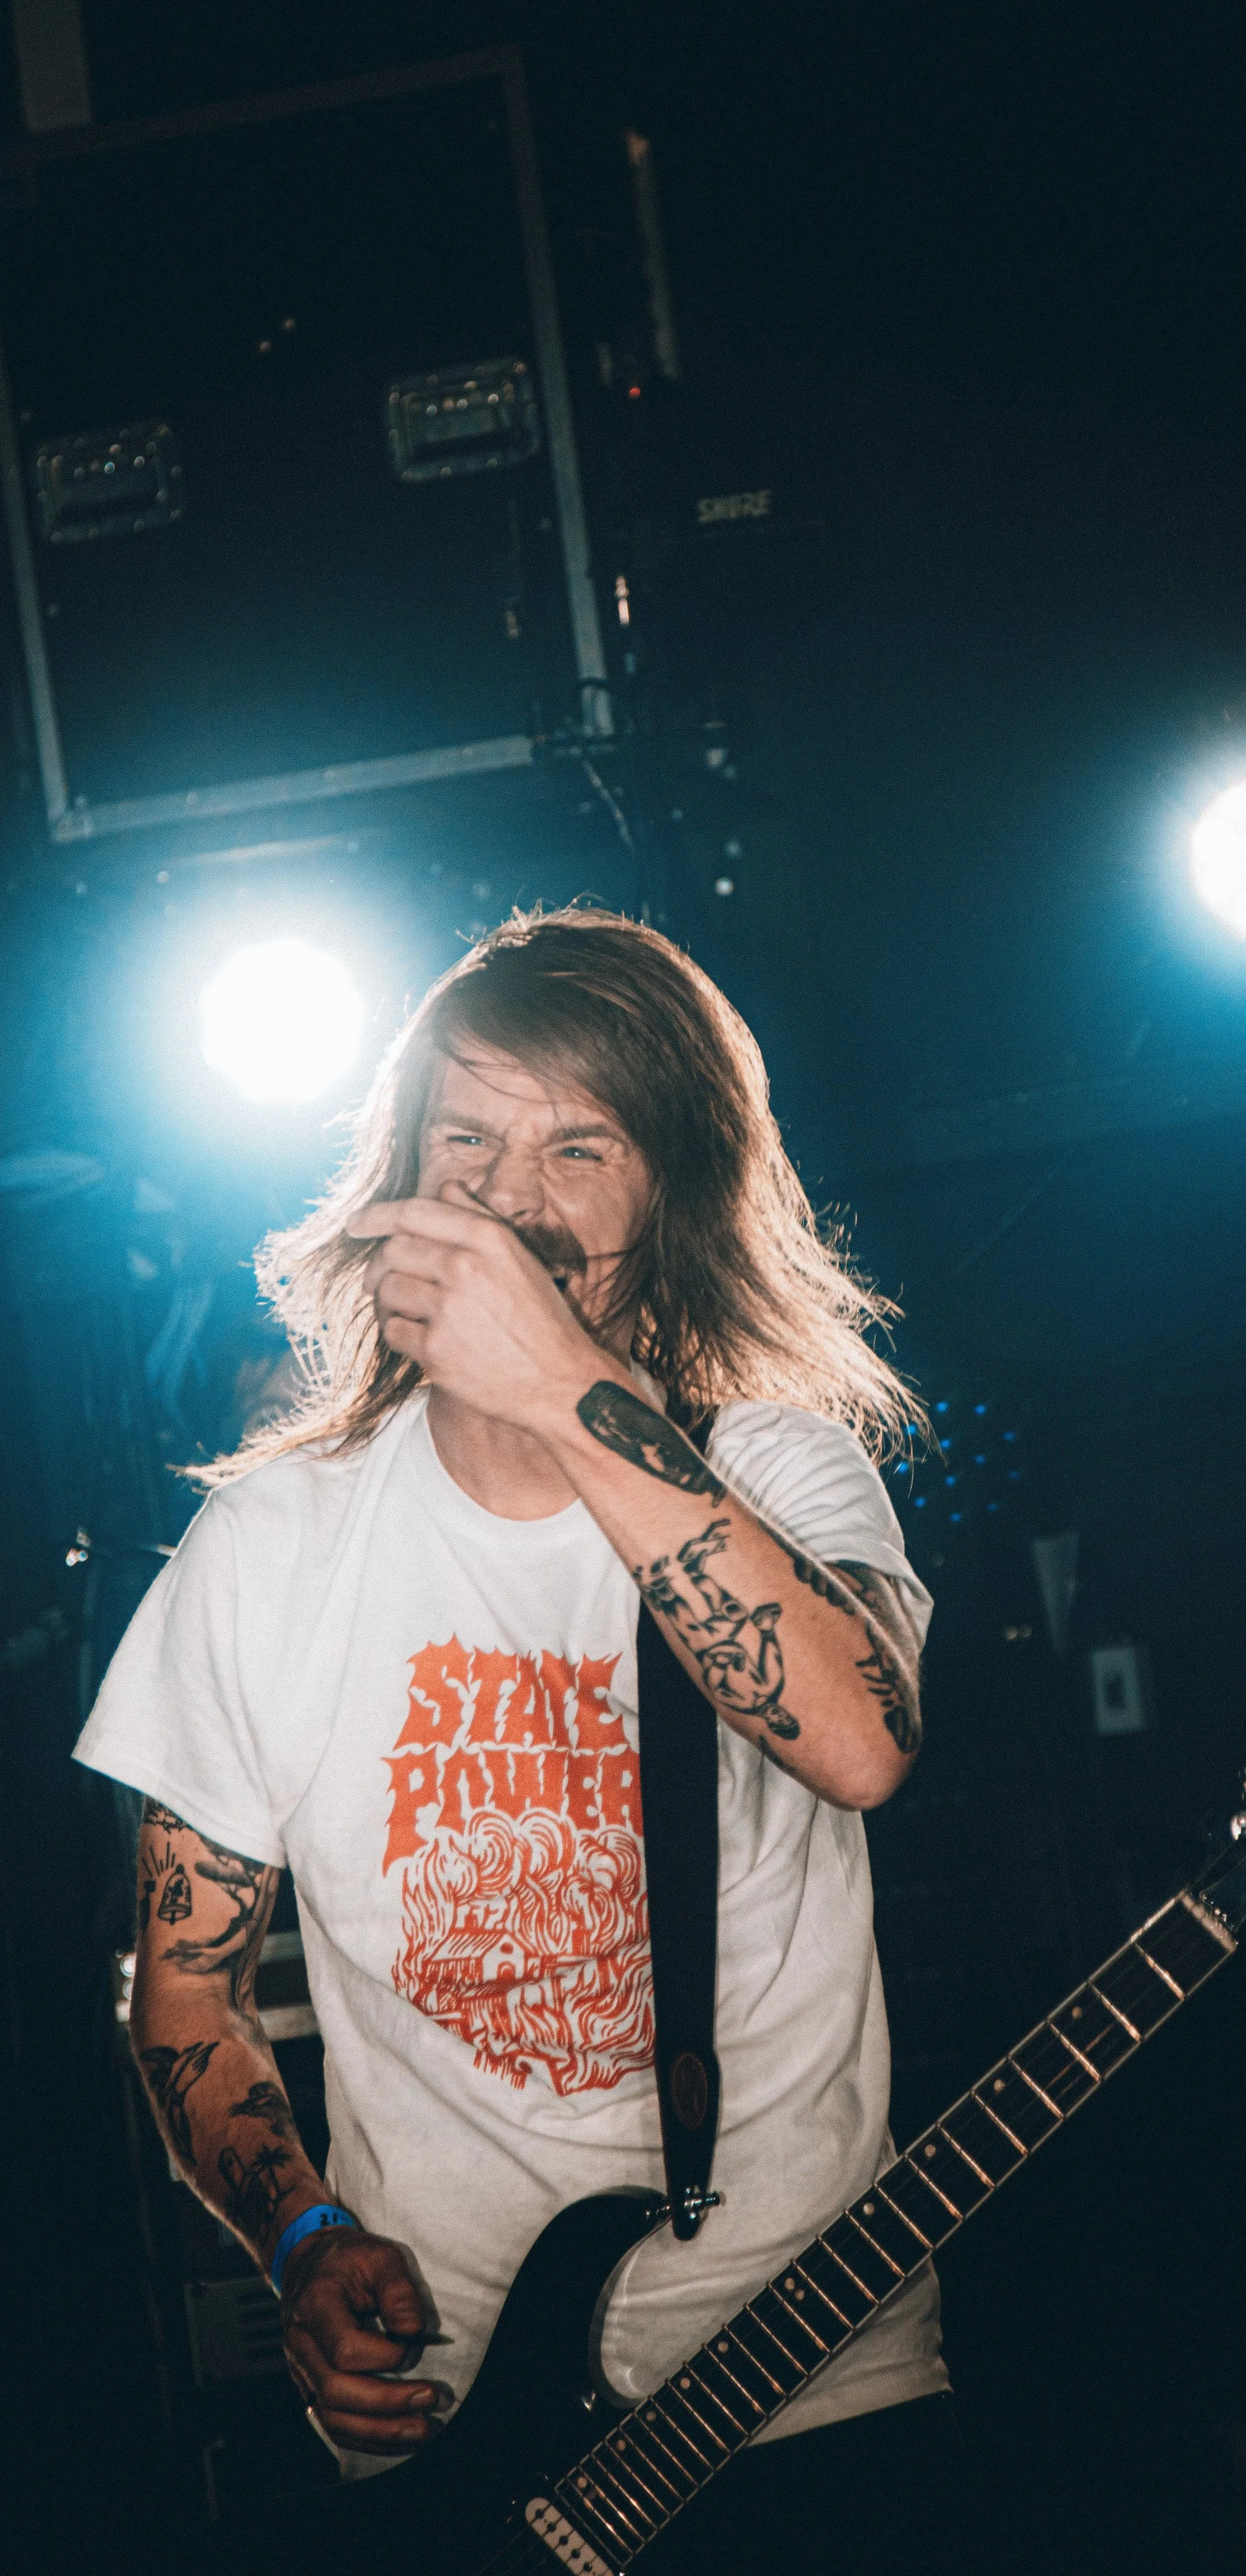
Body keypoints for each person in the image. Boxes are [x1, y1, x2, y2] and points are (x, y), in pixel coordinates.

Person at [75, 909, 962, 2570]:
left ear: (670, 1191)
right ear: (398, 1183)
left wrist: (559, 1386)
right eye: (466, 1142)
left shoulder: (778, 1470)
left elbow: (859, 1743)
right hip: (460, 2429)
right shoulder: (270, 1549)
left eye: (579, 1147)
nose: (509, 1201)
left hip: (813, 2381)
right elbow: (185, 1996)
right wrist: (300, 2244)